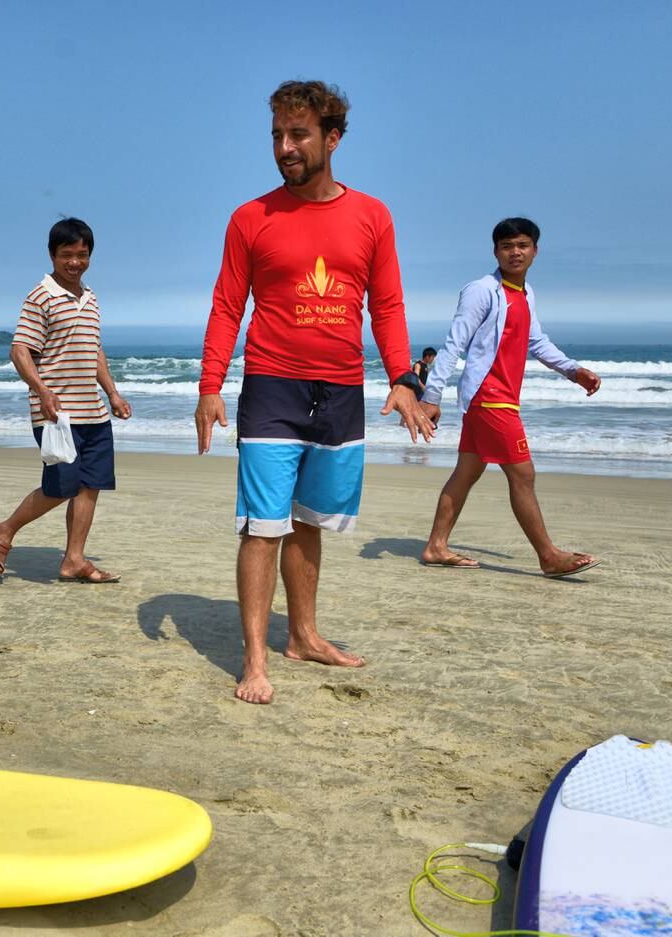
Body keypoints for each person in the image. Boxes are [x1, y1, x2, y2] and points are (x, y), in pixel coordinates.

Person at [194, 80, 434, 705]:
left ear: (332, 137)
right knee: (263, 526)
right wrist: (210, 384)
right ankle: (253, 660)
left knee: (309, 521)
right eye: (276, 134)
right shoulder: (251, 218)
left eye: (297, 134)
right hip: (272, 384)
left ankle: (302, 635)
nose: (284, 147)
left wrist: (404, 378)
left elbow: (386, 305)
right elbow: (227, 305)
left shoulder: (372, 216)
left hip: (341, 391)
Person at [418, 218, 602, 577]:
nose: (515, 252)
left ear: (535, 250)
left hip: (502, 396)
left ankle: (435, 546)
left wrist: (572, 370)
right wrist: (432, 394)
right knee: (523, 475)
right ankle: (548, 556)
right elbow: (454, 342)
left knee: (466, 473)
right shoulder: (481, 290)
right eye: (506, 246)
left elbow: (536, 341)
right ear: (495, 251)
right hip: (489, 395)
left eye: (522, 245)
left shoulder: (525, 293)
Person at [0, 218, 131, 584]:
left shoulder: (91, 298)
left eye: (82, 254)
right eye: (67, 254)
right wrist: (43, 392)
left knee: (91, 484)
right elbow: (20, 351)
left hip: (93, 412)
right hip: (57, 414)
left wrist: (111, 393)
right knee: (61, 486)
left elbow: (93, 350)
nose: (75, 262)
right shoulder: (41, 295)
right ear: (52, 255)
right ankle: (2, 530)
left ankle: (74, 560)